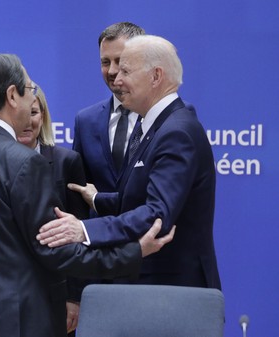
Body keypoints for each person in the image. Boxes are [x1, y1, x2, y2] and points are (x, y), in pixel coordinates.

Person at [0, 53, 174, 337]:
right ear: (11, 96)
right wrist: (133, 252)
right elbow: (56, 251)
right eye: (30, 90)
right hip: (19, 322)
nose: (33, 99)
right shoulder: (23, 161)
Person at [40, 35, 221, 290]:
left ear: (156, 76)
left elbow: (157, 214)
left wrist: (85, 230)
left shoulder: (176, 132)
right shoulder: (153, 126)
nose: (117, 79)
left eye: (125, 70)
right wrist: (98, 200)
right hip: (148, 286)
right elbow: (138, 199)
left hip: (172, 292)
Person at [17, 85, 88, 335]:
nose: (27, 121)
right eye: (21, 113)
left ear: (44, 115)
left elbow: (81, 237)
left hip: (55, 293)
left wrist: (75, 298)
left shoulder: (66, 161)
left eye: (34, 112)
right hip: (7, 295)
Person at [73, 22, 144, 213]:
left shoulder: (168, 117)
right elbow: (80, 192)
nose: (112, 71)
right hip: (100, 239)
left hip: (153, 237)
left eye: (119, 61)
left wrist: (99, 199)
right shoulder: (85, 121)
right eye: (105, 62)